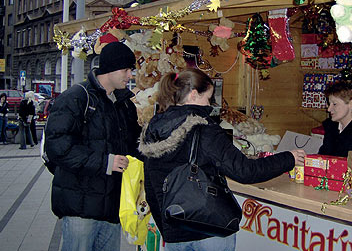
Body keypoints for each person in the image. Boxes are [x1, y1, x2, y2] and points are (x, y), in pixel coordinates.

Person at [139, 68, 306, 251]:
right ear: (194, 95)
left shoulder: (152, 129)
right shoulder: (204, 129)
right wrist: (289, 158)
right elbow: (246, 171)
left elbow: (150, 186)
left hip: (173, 232)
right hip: (208, 230)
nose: (210, 104)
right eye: (208, 98)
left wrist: (166, 228)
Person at [44, 42, 142, 251]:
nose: (130, 75)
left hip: (112, 206)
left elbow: (135, 146)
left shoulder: (125, 104)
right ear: (110, 69)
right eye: (126, 69)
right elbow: (58, 147)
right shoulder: (76, 98)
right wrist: (106, 162)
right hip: (81, 207)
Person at [318, 81, 352, 157]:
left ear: (351, 104)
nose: (329, 109)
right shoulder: (331, 127)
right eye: (329, 104)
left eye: (334, 104)